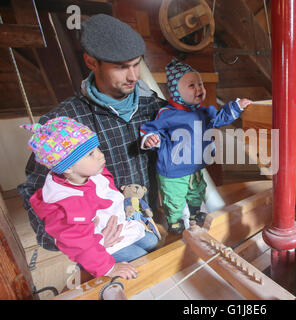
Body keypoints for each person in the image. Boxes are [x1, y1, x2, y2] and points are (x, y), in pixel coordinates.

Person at [17, 14, 167, 251]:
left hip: (151, 220)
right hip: (103, 241)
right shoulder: (63, 123)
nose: (133, 76)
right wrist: (78, 242)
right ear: (91, 62)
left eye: (136, 64)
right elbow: (35, 192)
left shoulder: (155, 108)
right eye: (121, 67)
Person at [22, 117, 159, 279]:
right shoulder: (66, 202)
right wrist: (108, 268)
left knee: (152, 242)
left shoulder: (92, 173)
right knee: (140, 257)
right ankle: (96, 267)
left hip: (117, 227)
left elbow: (108, 191)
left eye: (98, 149)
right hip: (95, 245)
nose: (101, 156)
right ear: (68, 168)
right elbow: (78, 244)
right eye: (90, 154)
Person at [140, 58, 252, 234]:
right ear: (176, 91)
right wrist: (150, 138)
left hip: (196, 166)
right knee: (174, 198)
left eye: (200, 84)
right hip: (174, 170)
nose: (199, 88)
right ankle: (175, 221)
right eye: (192, 85)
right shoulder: (167, 114)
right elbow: (151, 129)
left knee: (197, 192)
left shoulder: (204, 112)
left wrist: (236, 106)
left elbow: (220, 118)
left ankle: (194, 213)